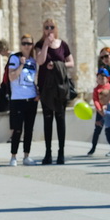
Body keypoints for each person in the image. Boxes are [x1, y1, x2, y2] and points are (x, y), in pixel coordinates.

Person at [35, 19, 74, 164]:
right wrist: (45, 44)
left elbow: (71, 62)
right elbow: (40, 61)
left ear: (56, 28)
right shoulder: (39, 45)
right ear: (43, 29)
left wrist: (58, 64)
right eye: (46, 27)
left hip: (60, 87)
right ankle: (48, 153)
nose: (49, 29)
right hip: (46, 87)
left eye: (52, 27)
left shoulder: (62, 44)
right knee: (47, 119)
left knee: (60, 119)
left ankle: (61, 152)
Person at [7, 35, 40, 166]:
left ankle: (26, 156)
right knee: (17, 129)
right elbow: (11, 77)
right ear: (20, 45)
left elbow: (34, 79)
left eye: (29, 43)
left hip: (31, 98)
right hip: (18, 99)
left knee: (29, 129)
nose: (27, 46)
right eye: (24, 43)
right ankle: (13, 156)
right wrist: (21, 64)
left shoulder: (33, 61)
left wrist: (38, 92)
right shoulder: (15, 58)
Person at [88, 70, 110, 156]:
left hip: (109, 112)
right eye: (99, 78)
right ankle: (93, 147)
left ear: (107, 79)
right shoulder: (96, 89)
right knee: (97, 130)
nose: (101, 80)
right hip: (100, 113)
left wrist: (107, 107)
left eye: (103, 78)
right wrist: (99, 110)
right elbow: (95, 100)